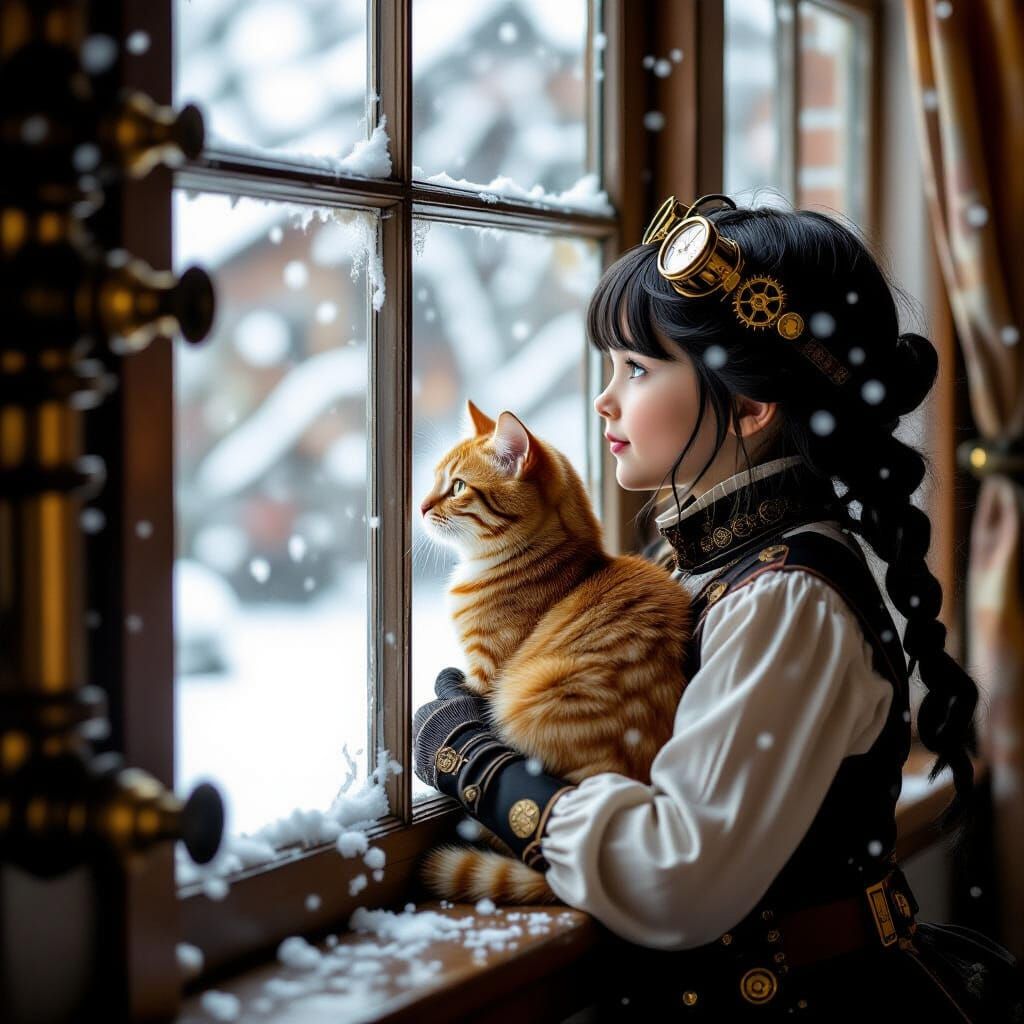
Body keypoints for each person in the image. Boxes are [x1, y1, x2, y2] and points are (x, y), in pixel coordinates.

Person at [412, 195, 1024, 1020]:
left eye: (636, 369)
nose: (605, 400)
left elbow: (676, 881)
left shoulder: (785, 601)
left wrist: (481, 768)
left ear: (747, 407)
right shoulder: (705, 566)